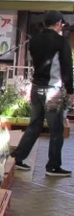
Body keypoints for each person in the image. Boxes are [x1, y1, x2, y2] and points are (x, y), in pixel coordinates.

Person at [12, 11, 74, 177]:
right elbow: (66, 66)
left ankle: (17, 158)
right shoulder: (61, 41)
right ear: (59, 23)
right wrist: (70, 89)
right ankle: (53, 166)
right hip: (52, 90)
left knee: (34, 125)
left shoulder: (35, 40)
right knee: (56, 129)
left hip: (36, 87)